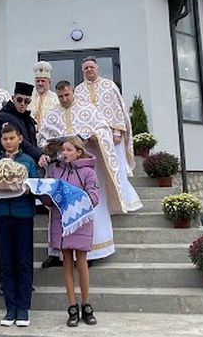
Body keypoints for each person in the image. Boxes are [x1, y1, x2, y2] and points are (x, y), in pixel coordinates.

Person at [40, 80, 141, 264]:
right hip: (62, 171)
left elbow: (103, 130)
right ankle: (58, 252)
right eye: (60, 96)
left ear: (73, 92)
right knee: (59, 210)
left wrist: (95, 137)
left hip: (84, 171)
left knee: (88, 207)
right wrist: (49, 145)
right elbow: (41, 140)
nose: (64, 99)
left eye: (67, 95)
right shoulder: (52, 114)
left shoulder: (89, 109)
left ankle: (91, 252)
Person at [46, 137, 100, 327]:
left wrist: (74, 198)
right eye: (64, 150)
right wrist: (44, 193)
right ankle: (72, 307)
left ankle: (86, 304)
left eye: (69, 150)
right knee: (66, 262)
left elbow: (94, 196)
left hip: (80, 222)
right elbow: (49, 197)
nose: (65, 153)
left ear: (79, 152)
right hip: (60, 222)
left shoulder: (88, 172)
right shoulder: (55, 170)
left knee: (82, 262)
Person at [0, 123, 41, 327]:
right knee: (6, 262)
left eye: (12, 138)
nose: (8, 142)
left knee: (23, 261)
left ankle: (23, 308)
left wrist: (28, 188)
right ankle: (10, 308)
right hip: (1, 214)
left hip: (22, 215)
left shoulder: (28, 161)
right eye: (5, 139)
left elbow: (37, 184)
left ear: (20, 139)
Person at [74, 56, 135, 179]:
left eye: (91, 67)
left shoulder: (109, 85)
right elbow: (77, 114)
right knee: (95, 170)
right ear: (83, 71)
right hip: (89, 139)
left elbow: (117, 109)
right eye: (86, 68)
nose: (89, 70)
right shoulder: (79, 90)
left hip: (111, 136)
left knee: (115, 168)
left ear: (97, 68)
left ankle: (118, 197)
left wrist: (117, 132)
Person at [29, 61, 59, 131]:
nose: (40, 83)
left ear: (49, 82)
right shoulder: (28, 98)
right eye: (37, 81)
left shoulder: (56, 98)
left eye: (43, 81)